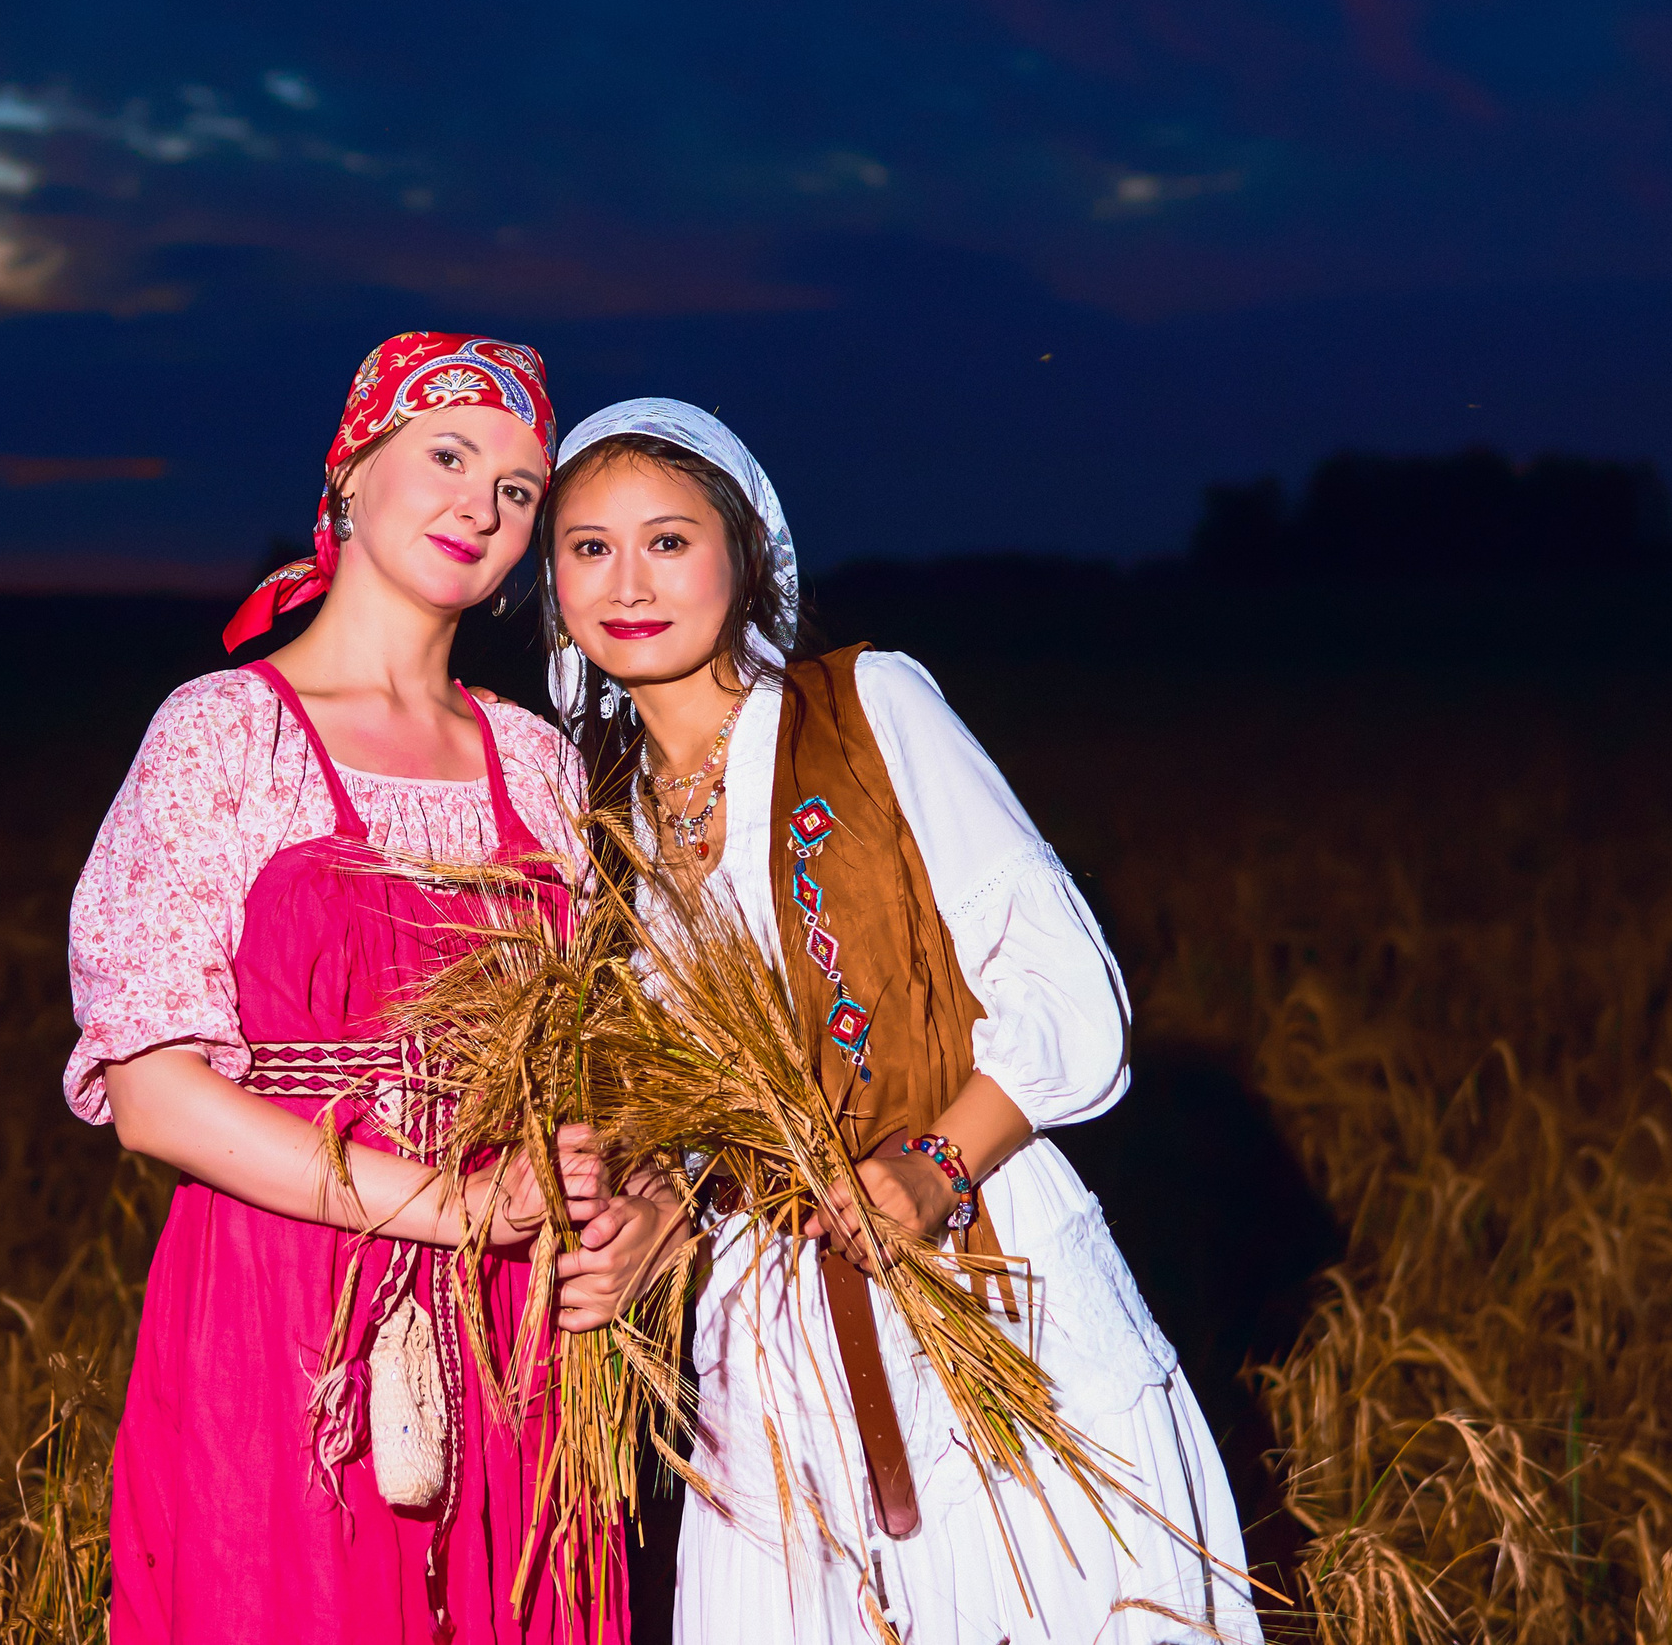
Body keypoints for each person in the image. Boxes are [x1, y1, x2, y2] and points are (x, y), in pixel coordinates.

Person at [537, 399, 1263, 1644]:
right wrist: (654, 1212)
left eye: (668, 540)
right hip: (766, 1337)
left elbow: (1066, 983)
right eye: (589, 547)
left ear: (744, 555)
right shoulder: (590, 820)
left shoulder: (865, 708)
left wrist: (934, 1163)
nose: (629, 582)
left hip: (980, 1269)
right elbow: (685, 1106)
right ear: (551, 583)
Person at [63, 335, 665, 1644]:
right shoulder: (226, 732)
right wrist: (456, 1207)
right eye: (447, 455)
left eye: (517, 489)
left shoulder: (536, 760)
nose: (479, 506)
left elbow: (599, 1061)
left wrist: (627, 1206)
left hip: (516, 1322)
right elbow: (153, 1096)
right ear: (349, 473)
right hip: (286, 1305)